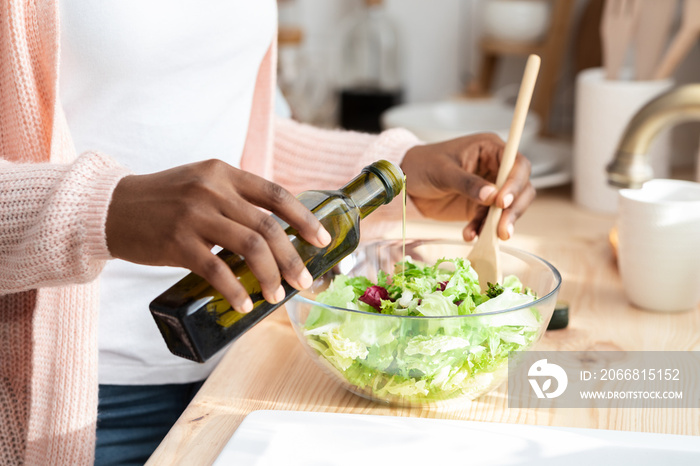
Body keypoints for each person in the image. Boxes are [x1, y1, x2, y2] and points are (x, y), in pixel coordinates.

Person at [0, 1, 534, 465]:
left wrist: (398, 171)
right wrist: (107, 208)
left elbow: (238, 134)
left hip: (238, 375)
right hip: (74, 405)